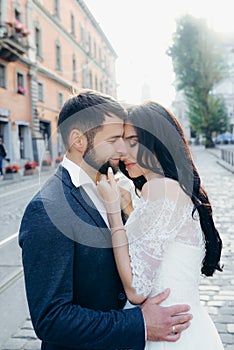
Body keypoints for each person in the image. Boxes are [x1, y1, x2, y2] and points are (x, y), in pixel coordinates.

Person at [19, 90, 192, 350]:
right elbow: (51, 320)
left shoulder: (115, 189)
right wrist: (139, 323)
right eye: (113, 139)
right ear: (79, 140)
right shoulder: (48, 208)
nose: (122, 149)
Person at [97, 100, 224, 349]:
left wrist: (113, 211)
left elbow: (137, 290)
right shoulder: (173, 187)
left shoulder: (162, 189)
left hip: (166, 335)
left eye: (133, 141)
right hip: (190, 330)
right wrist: (129, 209)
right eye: (120, 142)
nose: (122, 151)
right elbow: (159, 247)